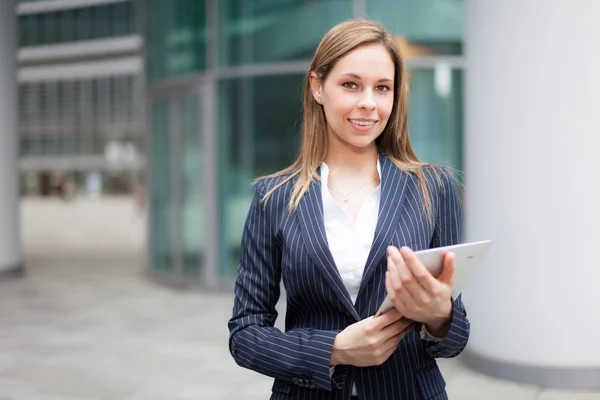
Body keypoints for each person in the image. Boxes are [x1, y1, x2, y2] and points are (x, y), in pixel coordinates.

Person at [228, 19, 469, 400]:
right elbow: (245, 335)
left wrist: (440, 316)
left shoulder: (433, 188)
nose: (368, 103)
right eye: (351, 84)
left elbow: (455, 339)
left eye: (382, 88)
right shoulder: (272, 198)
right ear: (317, 87)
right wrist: (334, 349)